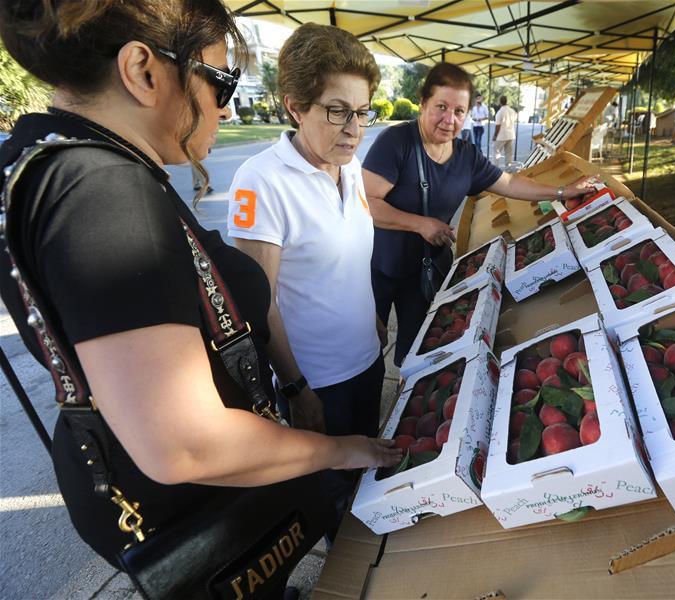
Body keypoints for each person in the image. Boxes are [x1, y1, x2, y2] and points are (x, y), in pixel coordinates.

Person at [0, 0, 400, 584]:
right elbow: (187, 443)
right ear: (142, 70)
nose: (229, 104)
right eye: (220, 80)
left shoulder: (52, 162)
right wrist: (342, 450)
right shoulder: (103, 190)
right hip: (190, 504)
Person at [227, 23, 386, 516]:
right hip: (319, 381)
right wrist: (296, 387)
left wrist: (374, 318)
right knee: (335, 503)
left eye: (361, 112)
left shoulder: (350, 165)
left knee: (372, 481)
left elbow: (350, 257)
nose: (354, 129)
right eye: (337, 112)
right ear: (295, 106)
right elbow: (260, 302)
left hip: (368, 360)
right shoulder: (260, 182)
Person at [363, 63, 597, 368]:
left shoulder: (466, 156)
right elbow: (366, 201)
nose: (450, 119)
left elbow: (510, 183)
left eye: (459, 111)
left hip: (424, 275)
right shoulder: (396, 143)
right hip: (378, 269)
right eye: (441, 107)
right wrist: (419, 224)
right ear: (423, 104)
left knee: (413, 356)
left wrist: (562, 192)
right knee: (365, 353)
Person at [492, 95, 517, 168]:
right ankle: (508, 168)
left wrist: (495, 136)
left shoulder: (500, 112)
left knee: (496, 151)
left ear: (500, 102)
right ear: (507, 101)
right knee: (508, 152)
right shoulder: (512, 111)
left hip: (501, 135)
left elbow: (498, 126)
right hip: (511, 134)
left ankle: (495, 168)